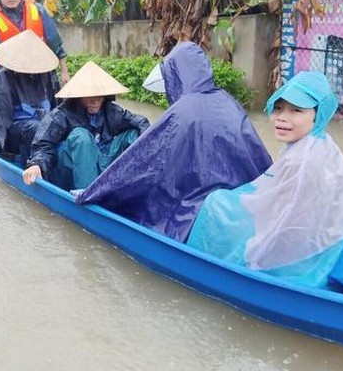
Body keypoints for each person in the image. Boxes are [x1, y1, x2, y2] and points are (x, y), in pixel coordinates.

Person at [186, 71, 343, 288]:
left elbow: (283, 217)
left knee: (215, 203)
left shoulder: (302, 160)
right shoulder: (320, 142)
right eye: (279, 108)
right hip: (332, 237)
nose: (283, 117)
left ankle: (203, 266)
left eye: (296, 111)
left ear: (318, 114)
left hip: (309, 250)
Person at [75, 42, 273, 243]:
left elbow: (142, 162)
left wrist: (97, 191)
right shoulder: (229, 102)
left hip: (200, 211)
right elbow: (258, 159)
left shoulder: (182, 111)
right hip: (240, 203)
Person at [22, 61, 150, 191]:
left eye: (98, 96)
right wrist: (37, 164)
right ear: (79, 96)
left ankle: (133, 186)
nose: (94, 101)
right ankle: (87, 193)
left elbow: (141, 122)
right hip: (70, 170)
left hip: (99, 161)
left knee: (134, 134)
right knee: (81, 136)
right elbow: (42, 145)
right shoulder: (61, 115)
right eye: (89, 96)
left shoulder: (111, 111)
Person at [0, 30, 60, 166]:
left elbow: (58, 106)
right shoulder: (4, 77)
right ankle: (31, 167)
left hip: (44, 130)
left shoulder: (47, 74)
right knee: (35, 128)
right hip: (17, 132)